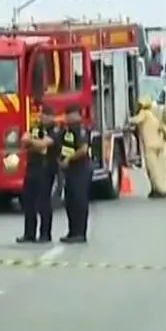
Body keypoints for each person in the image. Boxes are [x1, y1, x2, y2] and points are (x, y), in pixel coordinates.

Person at [17, 106, 61, 244]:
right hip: (32, 167)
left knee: (43, 202)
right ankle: (29, 233)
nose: (42, 118)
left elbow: (45, 144)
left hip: (46, 168)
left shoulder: (56, 130)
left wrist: (32, 143)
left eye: (45, 115)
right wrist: (35, 143)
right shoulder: (36, 128)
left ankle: (45, 234)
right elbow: (24, 139)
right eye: (42, 115)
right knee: (28, 201)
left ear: (51, 117)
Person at [59, 104, 91, 242]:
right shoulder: (67, 130)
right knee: (70, 202)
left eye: (69, 114)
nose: (67, 117)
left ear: (77, 115)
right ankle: (72, 232)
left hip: (81, 169)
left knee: (79, 201)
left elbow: (83, 149)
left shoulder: (80, 129)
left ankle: (80, 233)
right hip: (70, 170)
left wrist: (69, 159)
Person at [127, 95, 166, 197]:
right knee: (151, 168)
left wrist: (128, 119)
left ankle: (160, 190)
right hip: (157, 144)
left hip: (150, 145)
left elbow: (136, 120)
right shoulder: (152, 115)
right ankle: (154, 189)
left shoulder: (144, 113)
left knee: (152, 169)